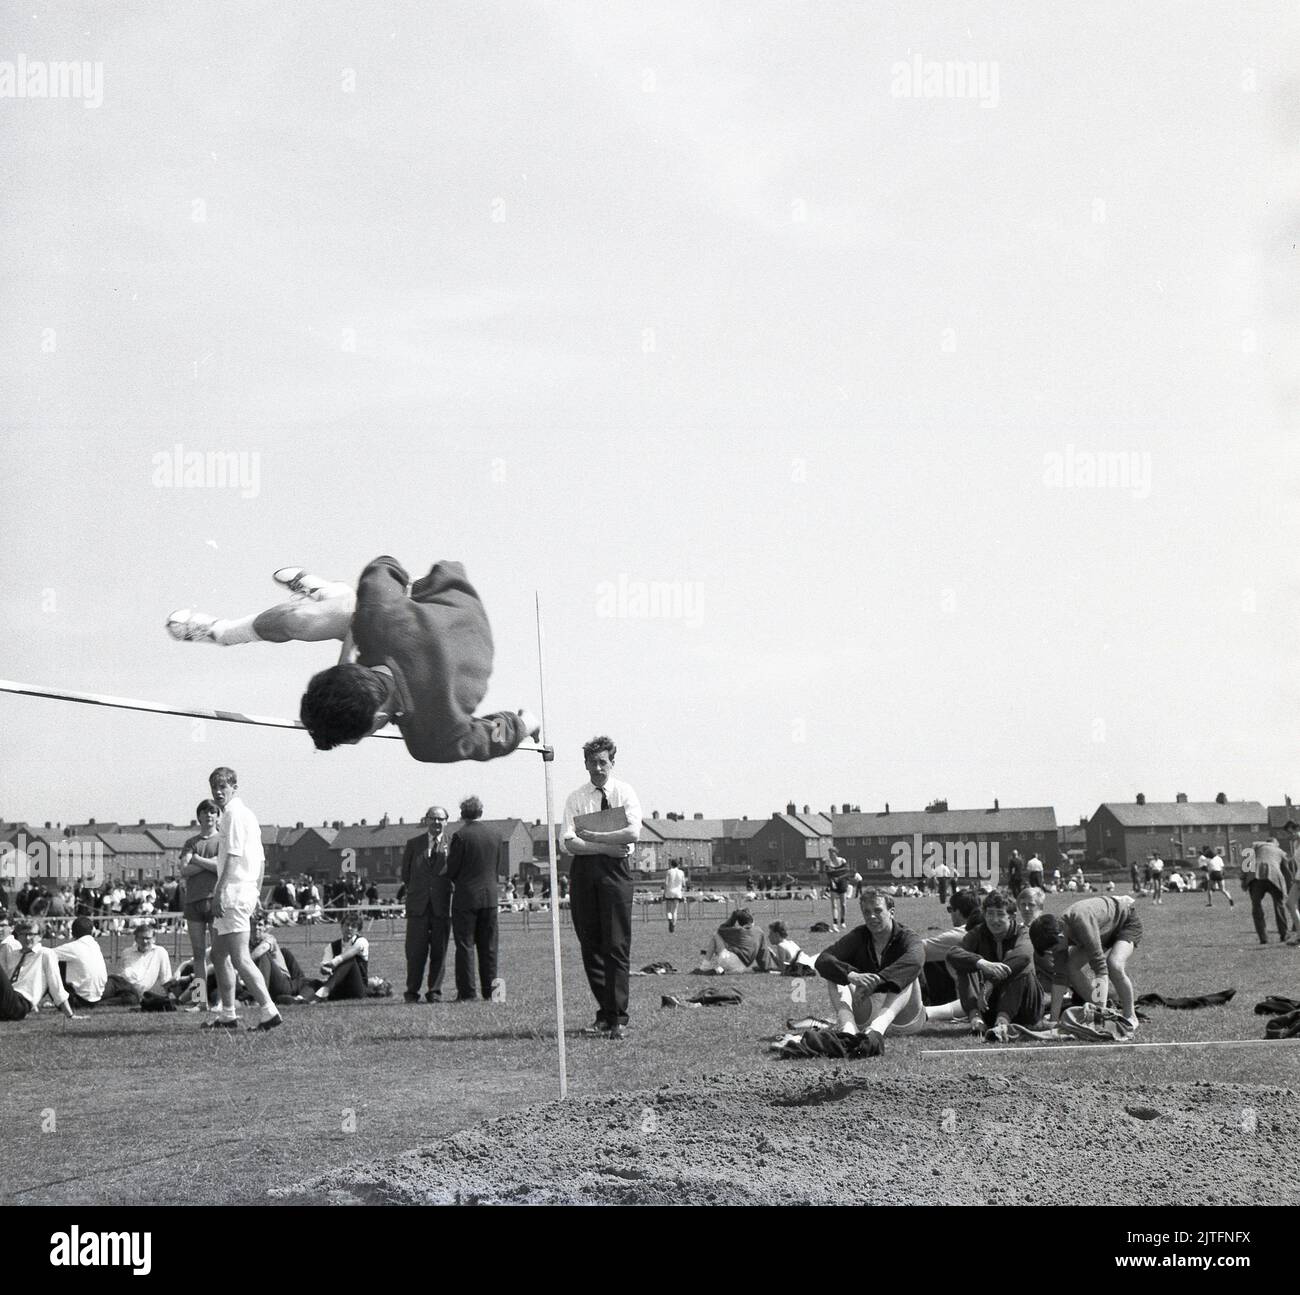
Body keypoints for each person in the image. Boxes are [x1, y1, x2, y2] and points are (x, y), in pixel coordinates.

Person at [167, 559, 539, 763]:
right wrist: (521, 725)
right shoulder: (378, 619)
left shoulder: (435, 736)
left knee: (342, 613)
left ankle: (334, 597)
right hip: (430, 609)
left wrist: (524, 723)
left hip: (450, 618)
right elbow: (385, 568)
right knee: (303, 619)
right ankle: (223, 632)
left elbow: (493, 738)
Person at [562, 734, 642, 1040]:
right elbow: (568, 841)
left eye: (603, 762)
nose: (598, 768)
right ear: (585, 764)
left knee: (617, 945)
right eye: (592, 762)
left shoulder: (625, 792)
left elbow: (632, 832)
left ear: (612, 762)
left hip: (616, 874)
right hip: (585, 872)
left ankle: (618, 1017)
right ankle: (605, 1014)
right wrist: (606, 845)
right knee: (591, 945)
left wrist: (592, 837)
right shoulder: (576, 798)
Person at [203, 766, 282, 1031]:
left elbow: (234, 857)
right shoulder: (248, 815)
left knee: (240, 958)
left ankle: (269, 1011)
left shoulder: (234, 815)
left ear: (234, 788)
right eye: (214, 787)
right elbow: (260, 861)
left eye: (223, 787)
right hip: (243, 891)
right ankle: (228, 1014)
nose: (218, 791)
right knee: (218, 954)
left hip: (233, 892)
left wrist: (219, 892)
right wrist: (256, 893)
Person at [813, 889, 927, 1046]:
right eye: (866, 912)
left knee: (908, 974)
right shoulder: (859, 935)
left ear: (891, 912)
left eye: (878, 910)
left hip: (902, 1017)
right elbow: (823, 960)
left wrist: (877, 983)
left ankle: (878, 1027)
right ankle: (848, 1028)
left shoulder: (907, 937)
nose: (872, 916)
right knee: (834, 974)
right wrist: (850, 975)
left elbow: (916, 960)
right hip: (866, 1014)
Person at [1029, 893, 1142, 1031]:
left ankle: (1129, 1015)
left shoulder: (1080, 921)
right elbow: (1059, 978)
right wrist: (1054, 1019)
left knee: (1114, 965)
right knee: (1070, 967)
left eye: (1053, 949)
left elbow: (1100, 968)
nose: (1054, 953)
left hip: (1125, 922)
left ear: (1060, 936)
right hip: (1103, 929)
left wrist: (1100, 1016)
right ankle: (1098, 1009)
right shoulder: (1057, 937)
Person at [947, 891, 1044, 1040]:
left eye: (1000, 914)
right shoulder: (979, 932)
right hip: (988, 1006)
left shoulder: (1023, 933)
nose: (994, 920)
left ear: (1011, 917)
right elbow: (952, 953)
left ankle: (1002, 1021)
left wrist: (990, 982)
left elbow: (1023, 956)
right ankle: (976, 1020)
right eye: (990, 914)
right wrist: (981, 962)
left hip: (1025, 1007)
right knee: (966, 963)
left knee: (1022, 966)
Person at [446, 795, 500, 1002]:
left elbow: (452, 869)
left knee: (466, 946)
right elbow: (495, 866)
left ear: (462, 813)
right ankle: (492, 992)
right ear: (481, 811)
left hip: (466, 898)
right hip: (490, 897)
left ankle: (468, 993)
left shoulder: (460, 836)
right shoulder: (495, 835)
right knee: (489, 946)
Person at [400, 807, 452, 1002]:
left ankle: (434, 991)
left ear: (447, 821)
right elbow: (406, 875)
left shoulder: (453, 844)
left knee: (439, 951)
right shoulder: (414, 844)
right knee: (415, 952)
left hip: (442, 907)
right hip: (418, 907)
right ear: (426, 820)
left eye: (441, 819)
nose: (437, 823)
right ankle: (412, 991)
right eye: (433, 819)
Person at [179, 797, 221, 1009]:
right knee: (198, 954)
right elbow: (183, 870)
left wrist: (196, 859)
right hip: (193, 902)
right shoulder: (191, 843)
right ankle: (200, 1000)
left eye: (212, 812)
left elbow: (220, 867)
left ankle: (223, 1001)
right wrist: (207, 863)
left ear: (217, 815)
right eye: (205, 812)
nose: (209, 815)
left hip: (215, 901)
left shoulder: (222, 840)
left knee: (219, 955)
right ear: (199, 817)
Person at [0, 921, 84, 1021]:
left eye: (31, 934)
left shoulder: (45, 954)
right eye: (23, 934)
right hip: (5, 1001)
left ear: (39, 936)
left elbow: (56, 986)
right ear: (18, 936)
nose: (27, 938)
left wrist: (70, 1015)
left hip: (19, 1004)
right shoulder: (14, 954)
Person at [52, 916, 108, 1008]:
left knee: (52, 962)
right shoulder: (95, 945)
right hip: (96, 997)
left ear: (73, 932)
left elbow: (47, 954)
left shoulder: (73, 947)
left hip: (78, 999)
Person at [1245, 837, 1292, 945]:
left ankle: (1263, 937)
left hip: (1255, 876)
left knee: (1256, 907)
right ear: (1276, 844)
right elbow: (1287, 872)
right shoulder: (1280, 851)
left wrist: (1243, 879)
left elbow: (1246, 862)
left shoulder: (1255, 846)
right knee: (1279, 906)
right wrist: (1290, 888)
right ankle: (1284, 935)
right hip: (1274, 876)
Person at [312, 914, 370, 1001]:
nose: (349, 928)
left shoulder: (362, 941)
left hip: (357, 988)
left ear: (358, 930)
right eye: (347, 925)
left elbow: (352, 952)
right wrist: (325, 969)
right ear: (341, 926)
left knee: (350, 959)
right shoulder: (331, 946)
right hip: (338, 988)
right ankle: (300, 999)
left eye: (353, 926)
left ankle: (324, 990)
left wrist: (335, 962)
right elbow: (324, 966)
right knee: (311, 982)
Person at [695, 909, 770, 973]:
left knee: (716, 935)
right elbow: (762, 952)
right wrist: (764, 968)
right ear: (752, 920)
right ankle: (721, 969)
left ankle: (704, 966)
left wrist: (733, 917)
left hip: (729, 962)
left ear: (739, 923)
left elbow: (721, 929)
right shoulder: (759, 931)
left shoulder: (737, 931)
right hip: (744, 967)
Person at [824, 849, 850, 931]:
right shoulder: (828, 862)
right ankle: (834, 923)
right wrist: (832, 879)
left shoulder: (842, 860)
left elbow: (846, 871)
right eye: (829, 853)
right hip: (833, 882)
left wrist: (838, 876)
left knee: (843, 905)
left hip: (842, 882)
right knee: (834, 904)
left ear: (836, 853)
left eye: (832, 853)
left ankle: (842, 921)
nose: (831, 855)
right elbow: (828, 873)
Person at [663, 861, 686, 933]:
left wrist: (664, 893)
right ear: (678, 865)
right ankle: (673, 924)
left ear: (671, 864)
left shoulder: (669, 871)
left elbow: (666, 883)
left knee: (668, 910)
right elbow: (684, 884)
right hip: (677, 893)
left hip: (669, 892)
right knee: (675, 911)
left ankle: (670, 921)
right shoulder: (681, 872)